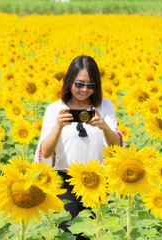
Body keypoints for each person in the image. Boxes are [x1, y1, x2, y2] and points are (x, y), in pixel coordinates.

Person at [34, 55, 123, 239]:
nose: (84, 90)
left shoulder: (105, 106)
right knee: (70, 234)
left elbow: (116, 147)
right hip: (65, 182)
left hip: (97, 181)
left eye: (91, 85)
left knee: (97, 232)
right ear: (69, 81)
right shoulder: (54, 109)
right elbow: (46, 152)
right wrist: (58, 126)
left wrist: (104, 126)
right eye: (79, 84)